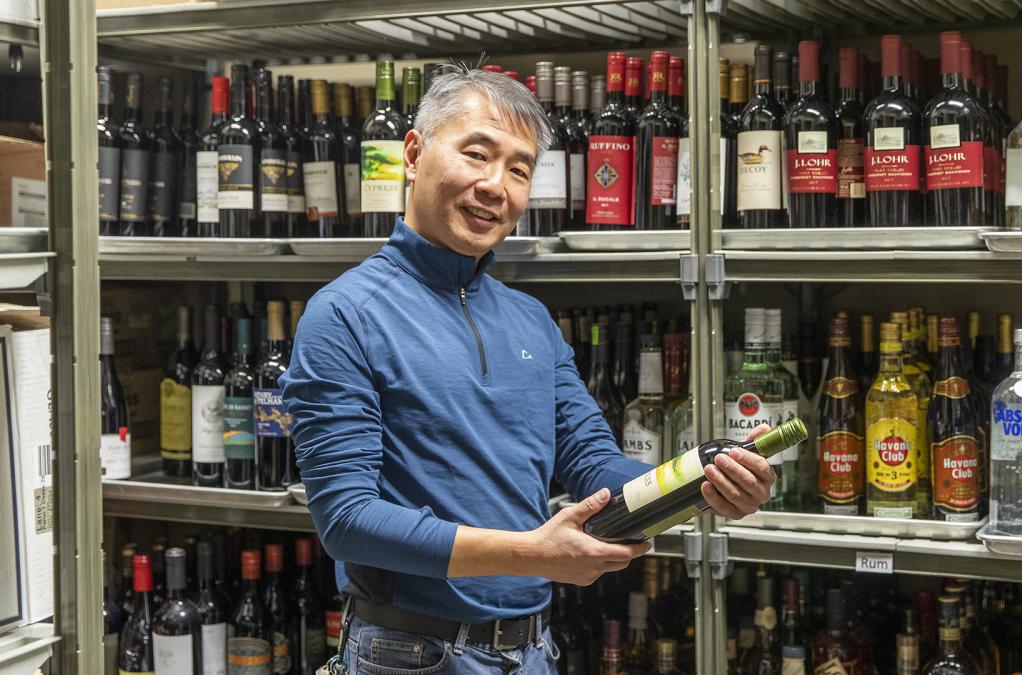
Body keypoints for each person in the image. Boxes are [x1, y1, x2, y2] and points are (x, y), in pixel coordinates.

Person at [281, 64, 776, 674]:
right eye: (476, 154)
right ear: (413, 153)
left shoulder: (531, 319)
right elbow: (349, 521)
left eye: (519, 169)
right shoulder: (345, 314)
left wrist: (701, 485)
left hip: (532, 651)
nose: (497, 185)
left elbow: (592, 460)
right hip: (408, 655)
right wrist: (531, 554)